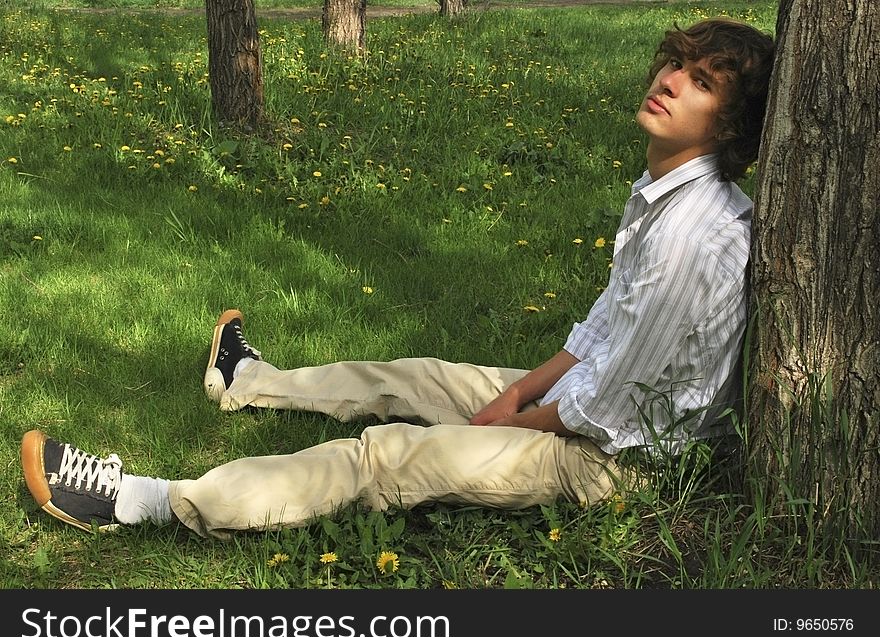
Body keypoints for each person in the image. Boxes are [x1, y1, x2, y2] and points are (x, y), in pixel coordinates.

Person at [20, 17, 775, 539]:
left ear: (730, 126)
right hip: (582, 408)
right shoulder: (665, 193)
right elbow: (610, 321)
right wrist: (516, 389)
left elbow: (611, 413)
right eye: (675, 63)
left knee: (383, 457)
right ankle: (250, 382)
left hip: (615, 461)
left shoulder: (694, 231)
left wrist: (511, 421)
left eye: (702, 82)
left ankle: (143, 501)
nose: (672, 81)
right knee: (414, 376)